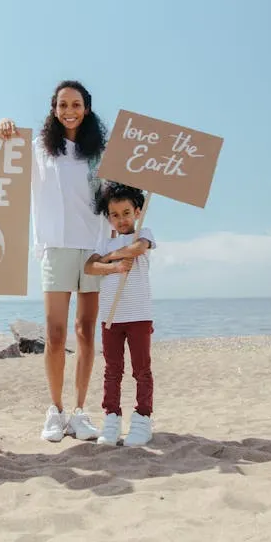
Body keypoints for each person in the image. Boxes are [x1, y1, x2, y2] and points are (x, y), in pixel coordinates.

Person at [0, 80, 108, 442]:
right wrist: (6, 128)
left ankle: (79, 411)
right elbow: (6, 157)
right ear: (53, 108)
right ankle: (56, 409)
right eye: (62, 105)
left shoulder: (101, 153)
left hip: (93, 248)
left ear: (87, 108)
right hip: (55, 248)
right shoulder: (39, 150)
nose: (69, 111)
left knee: (86, 333)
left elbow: (119, 194)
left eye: (76, 104)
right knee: (56, 335)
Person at [84, 181, 155, 447]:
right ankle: (111, 418)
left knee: (141, 370)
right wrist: (113, 266)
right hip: (111, 317)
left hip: (138, 315)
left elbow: (137, 249)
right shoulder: (103, 241)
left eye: (126, 213)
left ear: (137, 211)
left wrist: (109, 257)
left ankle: (143, 418)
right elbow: (90, 267)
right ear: (108, 217)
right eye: (115, 215)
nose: (121, 219)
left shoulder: (143, 232)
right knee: (113, 370)